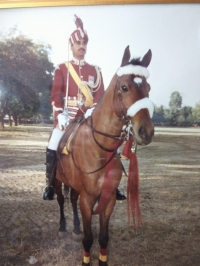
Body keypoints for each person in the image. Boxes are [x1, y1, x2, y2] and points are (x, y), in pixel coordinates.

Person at [43, 15, 126, 201]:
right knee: (53, 143)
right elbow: (55, 96)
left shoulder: (95, 71)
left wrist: (93, 109)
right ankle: (49, 183)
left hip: (91, 116)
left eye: (84, 43)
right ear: (71, 46)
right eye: (78, 43)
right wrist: (59, 114)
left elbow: (101, 95)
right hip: (68, 116)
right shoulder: (62, 69)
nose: (82, 46)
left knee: (113, 144)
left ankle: (114, 185)